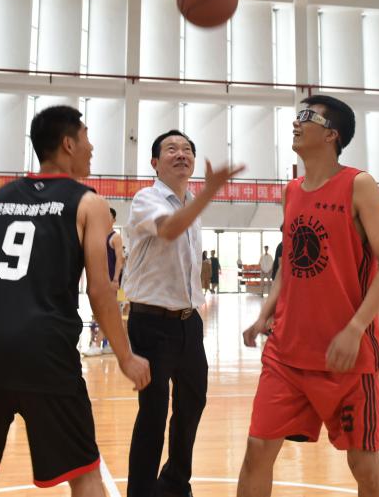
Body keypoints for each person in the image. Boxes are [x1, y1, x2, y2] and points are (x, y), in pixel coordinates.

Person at [0, 106, 150, 496]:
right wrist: (125, 356)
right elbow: (99, 290)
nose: (92, 147)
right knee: (84, 473)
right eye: (86, 138)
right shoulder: (89, 203)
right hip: (43, 349)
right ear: (68, 144)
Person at [238, 96, 379, 497]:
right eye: (297, 116)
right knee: (257, 450)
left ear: (331, 135)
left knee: (363, 464)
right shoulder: (292, 191)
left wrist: (355, 329)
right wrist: (265, 314)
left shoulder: (359, 185)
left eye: (307, 117)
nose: (296, 122)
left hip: (345, 356)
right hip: (286, 353)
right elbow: (290, 264)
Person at [123, 129, 243, 497]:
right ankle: (141, 492)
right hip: (150, 323)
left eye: (187, 149)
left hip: (189, 323)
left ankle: (175, 484)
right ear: (154, 163)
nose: (181, 154)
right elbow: (171, 229)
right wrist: (210, 192)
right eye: (171, 149)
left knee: (192, 403)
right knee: (154, 413)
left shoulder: (191, 202)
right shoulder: (146, 199)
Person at [85, 208, 125, 356]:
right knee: (102, 313)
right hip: (100, 281)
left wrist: (115, 280)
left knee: (107, 313)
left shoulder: (116, 237)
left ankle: (96, 345)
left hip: (113, 282)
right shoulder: (98, 236)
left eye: (108, 216)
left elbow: (120, 259)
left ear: (114, 220)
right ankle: (111, 345)